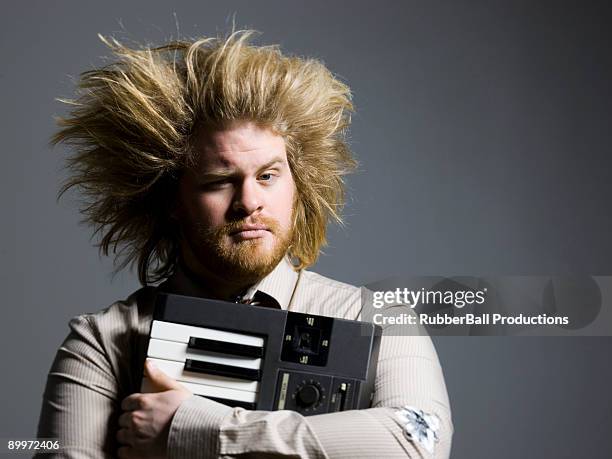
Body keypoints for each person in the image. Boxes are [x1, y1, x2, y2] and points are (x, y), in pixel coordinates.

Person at [37, 31, 453, 458]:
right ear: (170, 201)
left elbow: (416, 443)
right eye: (219, 182)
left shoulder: (381, 321)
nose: (250, 202)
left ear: (298, 185)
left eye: (268, 176)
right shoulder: (103, 342)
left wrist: (202, 432)